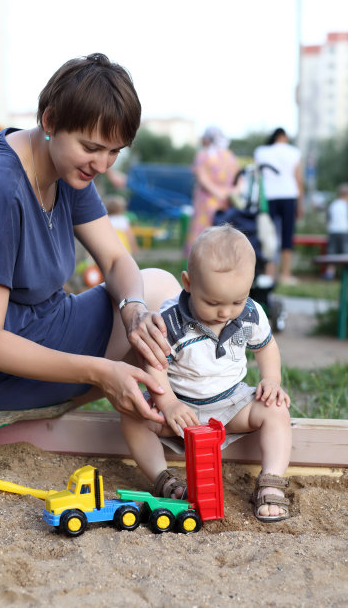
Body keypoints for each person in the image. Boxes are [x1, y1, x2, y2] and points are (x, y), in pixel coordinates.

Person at [0, 53, 182, 422]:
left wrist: (132, 309)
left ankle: (169, 421)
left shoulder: (67, 167)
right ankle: (174, 420)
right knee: (163, 292)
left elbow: (116, 260)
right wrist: (99, 371)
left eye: (114, 151)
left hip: (45, 325)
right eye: (91, 148)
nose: (101, 165)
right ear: (50, 120)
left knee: (152, 302)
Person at [121, 224, 292, 522]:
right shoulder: (170, 320)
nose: (225, 312)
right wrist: (169, 403)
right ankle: (163, 479)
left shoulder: (250, 313)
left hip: (230, 406)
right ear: (188, 283)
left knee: (276, 409)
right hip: (179, 410)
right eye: (213, 302)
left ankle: (271, 481)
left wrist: (271, 379)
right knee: (133, 415)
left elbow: (266, 347)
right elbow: (154, 363)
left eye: (237, 301)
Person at [254, 128, 304, 285]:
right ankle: (285, 273)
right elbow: (298, 178)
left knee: (269, 234)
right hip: (289, 196)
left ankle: (269, 273)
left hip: (268, 197)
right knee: (287, 235)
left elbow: (258, 176)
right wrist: (301, 202)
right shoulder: (294, 152)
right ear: (284, 137)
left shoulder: (261, 151)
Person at [185, 126, 239, 256]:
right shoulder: (230, 156)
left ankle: (199, 266)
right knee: (224, 234)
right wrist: (228, 193)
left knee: (203, 234)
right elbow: (239, 180)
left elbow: (203, 179)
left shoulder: (203, 155)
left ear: (207, 139)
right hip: (227, 202)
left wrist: (218, 193)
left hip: (206, 201)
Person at [324, 183, 348, 279]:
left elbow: (328, 218)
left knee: (332, 253)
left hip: (333, 231)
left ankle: (330, 273)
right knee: (345, 253)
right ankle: (345, 275)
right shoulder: (345, 205)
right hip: (345, 231)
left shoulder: (333, 205)